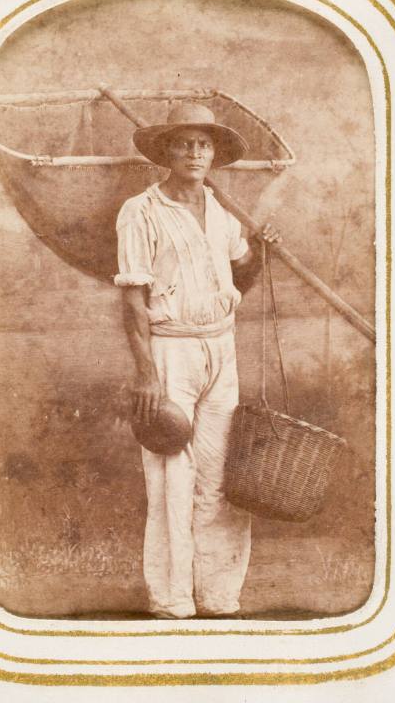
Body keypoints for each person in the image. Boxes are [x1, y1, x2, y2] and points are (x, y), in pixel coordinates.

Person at [114, 102, 280, 619]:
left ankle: (219, 593)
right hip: (170, 350)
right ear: (166, 151)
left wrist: (260, 250)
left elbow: (239, 281)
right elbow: (132, 298)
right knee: (170, 472)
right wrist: (146, 374)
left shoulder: (223, 210)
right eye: (184, 142)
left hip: (220, 347)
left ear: (214, 154)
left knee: (221, 471)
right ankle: (172, 597)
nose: (194, 152)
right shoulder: (140, 210)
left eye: (203, 144)